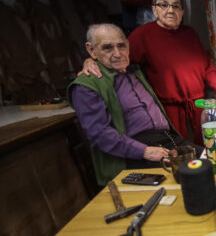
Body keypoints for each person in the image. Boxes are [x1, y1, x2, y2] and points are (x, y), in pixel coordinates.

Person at [81, 0, 216, 146]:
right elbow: (118, 57)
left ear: (182, 12)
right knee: (179, 149)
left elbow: (207, 66)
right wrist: (91, 60)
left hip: (199, 104)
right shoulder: (142, 34)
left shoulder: (190, 33)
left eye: (176, 6)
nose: (170, 10)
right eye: (164, 5)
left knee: (210, 146)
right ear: (155, 10)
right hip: (168, 108)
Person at [68, 23, 203, 186]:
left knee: (215, 159)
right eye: (107, 48)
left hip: (167, 140)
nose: (117, 53)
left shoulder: (133, 69)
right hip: (134, 153)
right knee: (189, 181)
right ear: (91, 50)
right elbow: (99, 134)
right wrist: (145, 151)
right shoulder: (86, 86)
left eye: (121, 46)